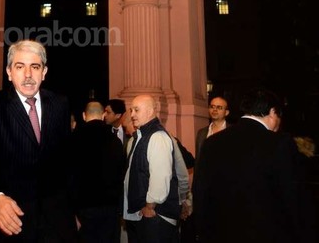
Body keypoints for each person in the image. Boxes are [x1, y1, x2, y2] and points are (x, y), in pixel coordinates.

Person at [0, 39, 78, 242]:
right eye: (20, 67)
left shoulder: (60, 104)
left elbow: (66, 161)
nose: (28, 74)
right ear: (9, 72)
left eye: (35, 67)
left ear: (44, 72)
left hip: (54, 221)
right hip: (8, 219)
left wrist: (72, 211)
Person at [193, 87, 302, 243]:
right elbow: (291, 198)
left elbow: (201, 192)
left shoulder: (211, 142)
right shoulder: (280, 143)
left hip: (220, 233)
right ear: (272, 112)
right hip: (264, 234)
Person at [123, 94, 180, 243]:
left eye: (136, 110)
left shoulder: (157, 137)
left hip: (156, 216)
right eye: (131, 110)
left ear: (150, 111)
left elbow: (161, 176)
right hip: (146, 216)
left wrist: (150, 206)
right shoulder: (141, 136)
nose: (132, 115)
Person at [70, 101, 126, 243]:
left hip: (83, 209)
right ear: (103, 115)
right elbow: (122, 175)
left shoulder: (73, 140)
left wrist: (71, 212)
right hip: (110, 209)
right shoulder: (115, 141)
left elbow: (69, 179)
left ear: (84, 116)